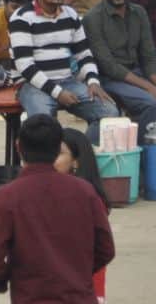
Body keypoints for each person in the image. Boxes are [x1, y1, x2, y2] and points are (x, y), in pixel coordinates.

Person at [0, 114, 115, 303]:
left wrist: (7, 280)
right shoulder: (85, 192)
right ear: (57, 147)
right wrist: (75, 274)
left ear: (18, 147)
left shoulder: (3, 199)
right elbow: (106, 249)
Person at [9, 0, 116, 134]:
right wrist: (58, 93)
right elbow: (25, 67)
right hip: (32, 85)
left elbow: (84, 54)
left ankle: (81, 157)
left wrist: (93, 81)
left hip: (67, 81)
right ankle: (49, 160)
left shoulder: (70, 14)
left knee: (109, 113)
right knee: (43, 125)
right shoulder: (21, 18)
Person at [56, 128, 112, 299]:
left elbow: (102, 250)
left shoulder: (87, 199)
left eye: (58, 153)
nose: (50, 160)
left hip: (81, 290)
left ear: (76, 162)